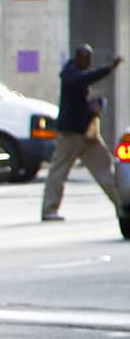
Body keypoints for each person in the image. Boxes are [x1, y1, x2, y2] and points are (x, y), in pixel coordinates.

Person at [41, 44, 123, 222]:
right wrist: (108, 69)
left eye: (90, 59)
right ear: (78, 58)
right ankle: (49, 209)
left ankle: (123, 206)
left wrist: (95, 106)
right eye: (86, 59)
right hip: (70, 134)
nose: (88, 63)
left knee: (106, 170)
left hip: (87, 133)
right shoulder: (71, 74)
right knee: (59, 171)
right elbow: (83, 79)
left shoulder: (78, 74)